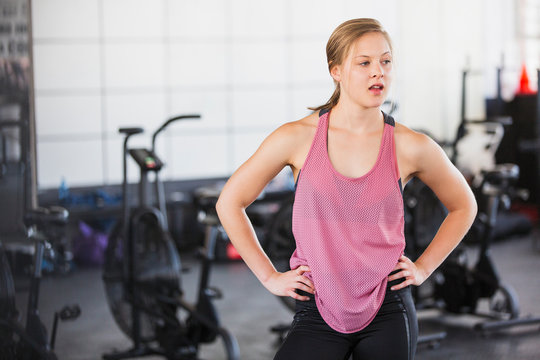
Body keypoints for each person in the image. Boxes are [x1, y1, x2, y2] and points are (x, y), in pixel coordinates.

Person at [216, 18, 477, 360]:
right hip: (318, 307)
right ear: (336, 71)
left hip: (388, 307)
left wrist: (424, 267)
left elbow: (464, 206)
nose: (377, 73)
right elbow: (230, 203)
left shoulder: (410, 146)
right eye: (364, 63)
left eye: (385, 61)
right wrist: (269, 276)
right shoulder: (297, 137)